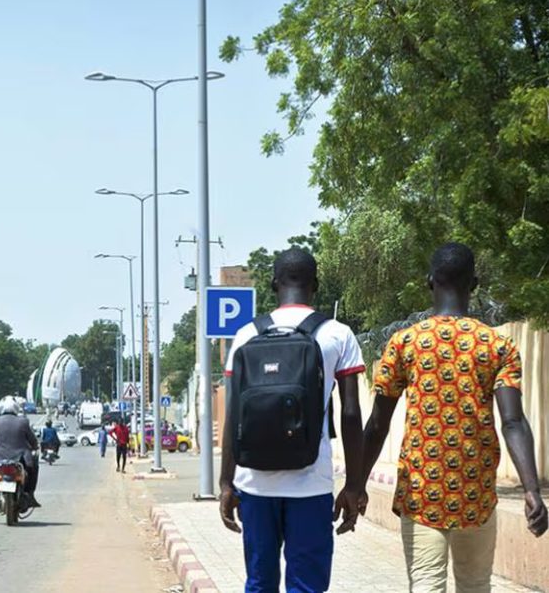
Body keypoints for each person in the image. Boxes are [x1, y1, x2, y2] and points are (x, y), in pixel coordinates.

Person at [353, 243, 547, 592]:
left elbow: (378, 424)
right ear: (474, 284)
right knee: (475, 585)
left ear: (430, 282)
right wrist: (532, 489)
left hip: (420, 491)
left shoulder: (404, 343)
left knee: (427, 585)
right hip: (477, 494)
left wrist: (357, 485)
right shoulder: (496, 346)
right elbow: (513, 421)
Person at [218, 247, 366, 593]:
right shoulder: (337, 335)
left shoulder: (245, 335)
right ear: (316, 284)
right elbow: (351, 414)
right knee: (307, 586)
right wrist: (355, 485)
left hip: (254, 483)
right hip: (311, 482)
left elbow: (233, 417)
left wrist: (227, 483)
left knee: (259, 583)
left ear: (273, 283)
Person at [0, 398, 41, 509]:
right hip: (20, 457)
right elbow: (32, 440)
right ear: (16, 409)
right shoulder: (23, 421)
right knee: (33, 468)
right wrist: (34, 446)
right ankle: (30, 494)